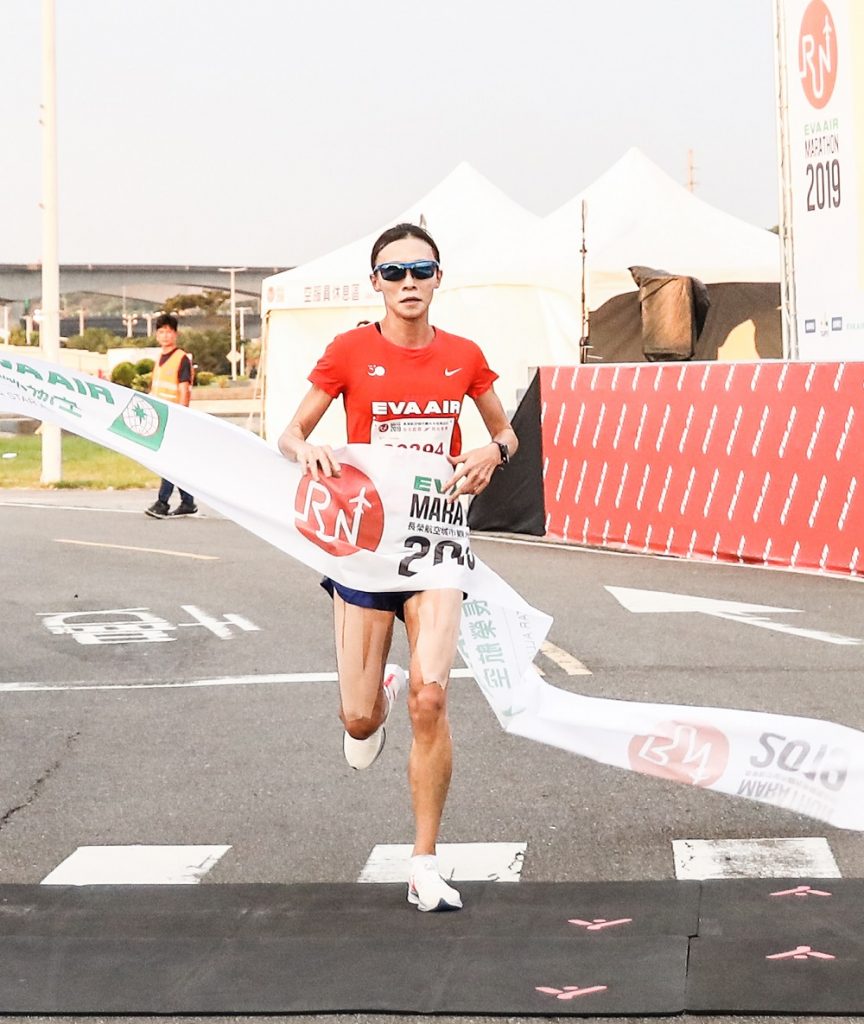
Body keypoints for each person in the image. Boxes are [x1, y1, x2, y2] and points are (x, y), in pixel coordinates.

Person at [278, 223, 517, 912]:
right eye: (394, 272)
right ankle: (375, 691)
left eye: (421, 269)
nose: (408, 282)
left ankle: (424, 861)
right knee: (358, 721)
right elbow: (292, 431)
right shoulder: (351, 350)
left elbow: (506, 431)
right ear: (375, 283)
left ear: (439, 277)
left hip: (435, 544)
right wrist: (310, 451)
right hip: (365, 549)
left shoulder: (464, 356)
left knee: (433, 697)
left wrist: (491, 454)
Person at [145, 313, 198, 518]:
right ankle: (188, 502)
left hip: (174, 417)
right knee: (175, 461)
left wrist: (182, 415)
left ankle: (162, 502)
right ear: (157, 335)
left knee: (168, 461)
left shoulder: (181, 358)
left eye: (169, 331)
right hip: (160, 417)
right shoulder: (159, 359)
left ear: (175, 334)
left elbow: (184, 389)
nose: (165, 335)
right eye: (161, 331)